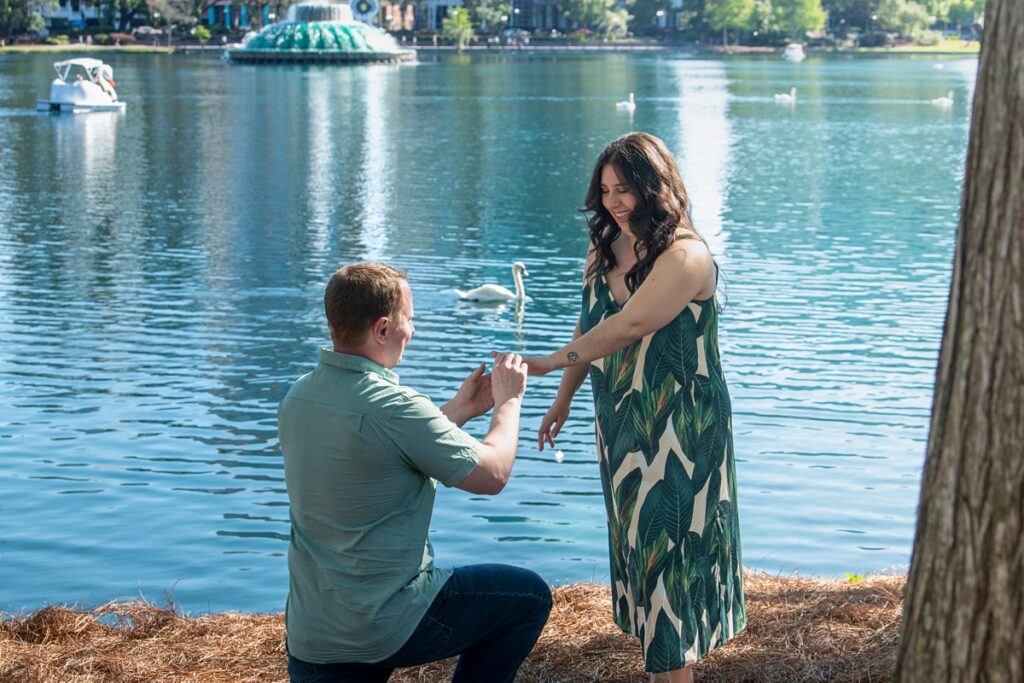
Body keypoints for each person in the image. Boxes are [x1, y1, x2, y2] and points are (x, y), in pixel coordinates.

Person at [526, 132, 745, 681]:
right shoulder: (605, 248)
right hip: (623, 422)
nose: (614, 203)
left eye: (624, 189)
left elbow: (631, 325)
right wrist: (563, 396)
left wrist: (547, 362)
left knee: (673, 565)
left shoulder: (686, 256)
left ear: (655, 186)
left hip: (684, 432)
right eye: (605, 191)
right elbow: (591, 325)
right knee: (643, 556)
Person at [279, 263, 551, 683]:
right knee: (528, 598)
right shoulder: (396, 406)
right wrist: (508, 402)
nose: (413, 329)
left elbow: (383, 451)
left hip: (314, 634)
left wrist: (461, 409)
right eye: (409, 318)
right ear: (383, 328)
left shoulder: (299, 396)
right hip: (384, 626)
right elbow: (492, 475)